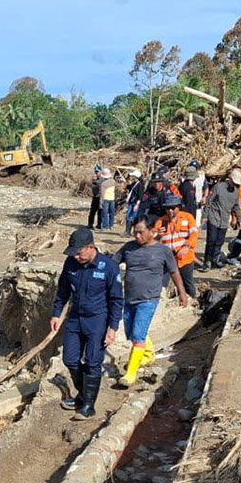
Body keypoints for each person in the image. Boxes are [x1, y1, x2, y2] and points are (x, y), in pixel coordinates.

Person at [51, 227, 124, 419]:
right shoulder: (71, 264)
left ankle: (88, 405)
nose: (76, 257)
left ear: (90, 247)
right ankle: (83, 394)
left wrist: (113, 327)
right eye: (73, 253)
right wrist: (56, 314)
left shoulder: (108, 267)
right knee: (70, 359)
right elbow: (63, 290)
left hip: (97, 320)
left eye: (79, 252)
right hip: (75, 318)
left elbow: (116, 299)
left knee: (93, 362)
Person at [113, 218, 188, 387]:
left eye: (141, 232)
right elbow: (113, 263)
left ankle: (130, 375)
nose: (137, 236)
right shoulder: (129, 248)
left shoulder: (163, 251)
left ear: (151, 231)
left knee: (138, 334)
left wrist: (182, 293)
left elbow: (174, 272)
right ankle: (147, 355)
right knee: (132, 332)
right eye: (135, 232)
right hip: (130, 297)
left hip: (149, 299)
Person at [153, 194, 200, 298]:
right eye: (167, 208)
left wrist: (186, 247)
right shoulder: (161, 222)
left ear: (179, 207)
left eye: (173, 208)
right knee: (161, 285)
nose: (170, 211)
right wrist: (158, 235)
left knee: (188, 285)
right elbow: (152, 240)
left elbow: (194, 234)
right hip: (166, 260)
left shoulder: (188, 218)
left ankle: (190, 304)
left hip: (184, 258)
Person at [202, 169, 241, 270]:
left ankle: (215, 259)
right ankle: (207, 261)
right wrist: (205, 216)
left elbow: (236, 207)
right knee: (211, 240)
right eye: (234, 183)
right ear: (230, 179)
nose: (235, 185)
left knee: (220, 241)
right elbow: (209, 201)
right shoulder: (218, 187)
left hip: (224, 219)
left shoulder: (236, 192)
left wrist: (239, 220)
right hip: (214, 216)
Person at [123, 169, 146, 234]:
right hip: (132, 202)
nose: (131, 177)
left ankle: (130, 232)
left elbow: (140, 196)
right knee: (129, 216)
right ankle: (127, 231)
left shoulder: (140, 185)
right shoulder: (134, 183)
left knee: (133, 217)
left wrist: (137, 204)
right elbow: (128, 187)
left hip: (135, 203)